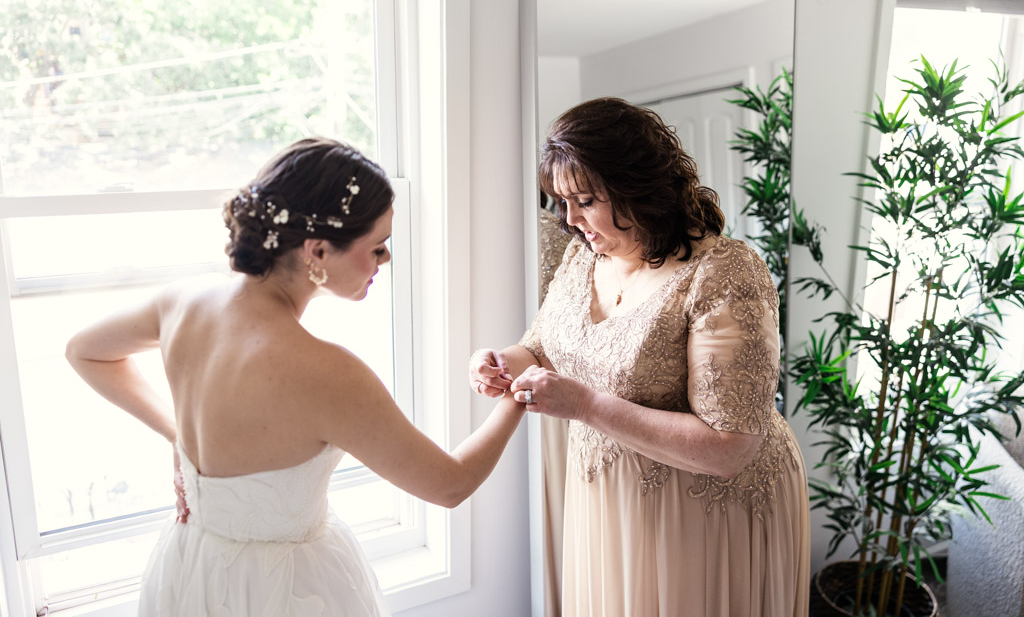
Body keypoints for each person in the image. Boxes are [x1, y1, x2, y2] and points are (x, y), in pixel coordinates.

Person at [66, 138, 525, 617]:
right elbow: (448, 485)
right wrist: (518, 393)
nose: (385, 261)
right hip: (287, 591)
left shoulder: (181, 302)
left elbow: (85, 351)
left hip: (191, 570)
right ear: (318, 251)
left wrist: (180, 438)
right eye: (378, 247)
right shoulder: (328, 373)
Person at [470, 98, 811, 617]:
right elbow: (543, 347)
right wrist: (498, 361)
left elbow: (731, 447)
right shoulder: (583, 254)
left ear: (639, 188)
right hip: (607, 499)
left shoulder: (724, 273)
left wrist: (584, 406)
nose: (569, 219)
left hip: (703, 511)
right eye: (561, 201)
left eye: (584, 199)